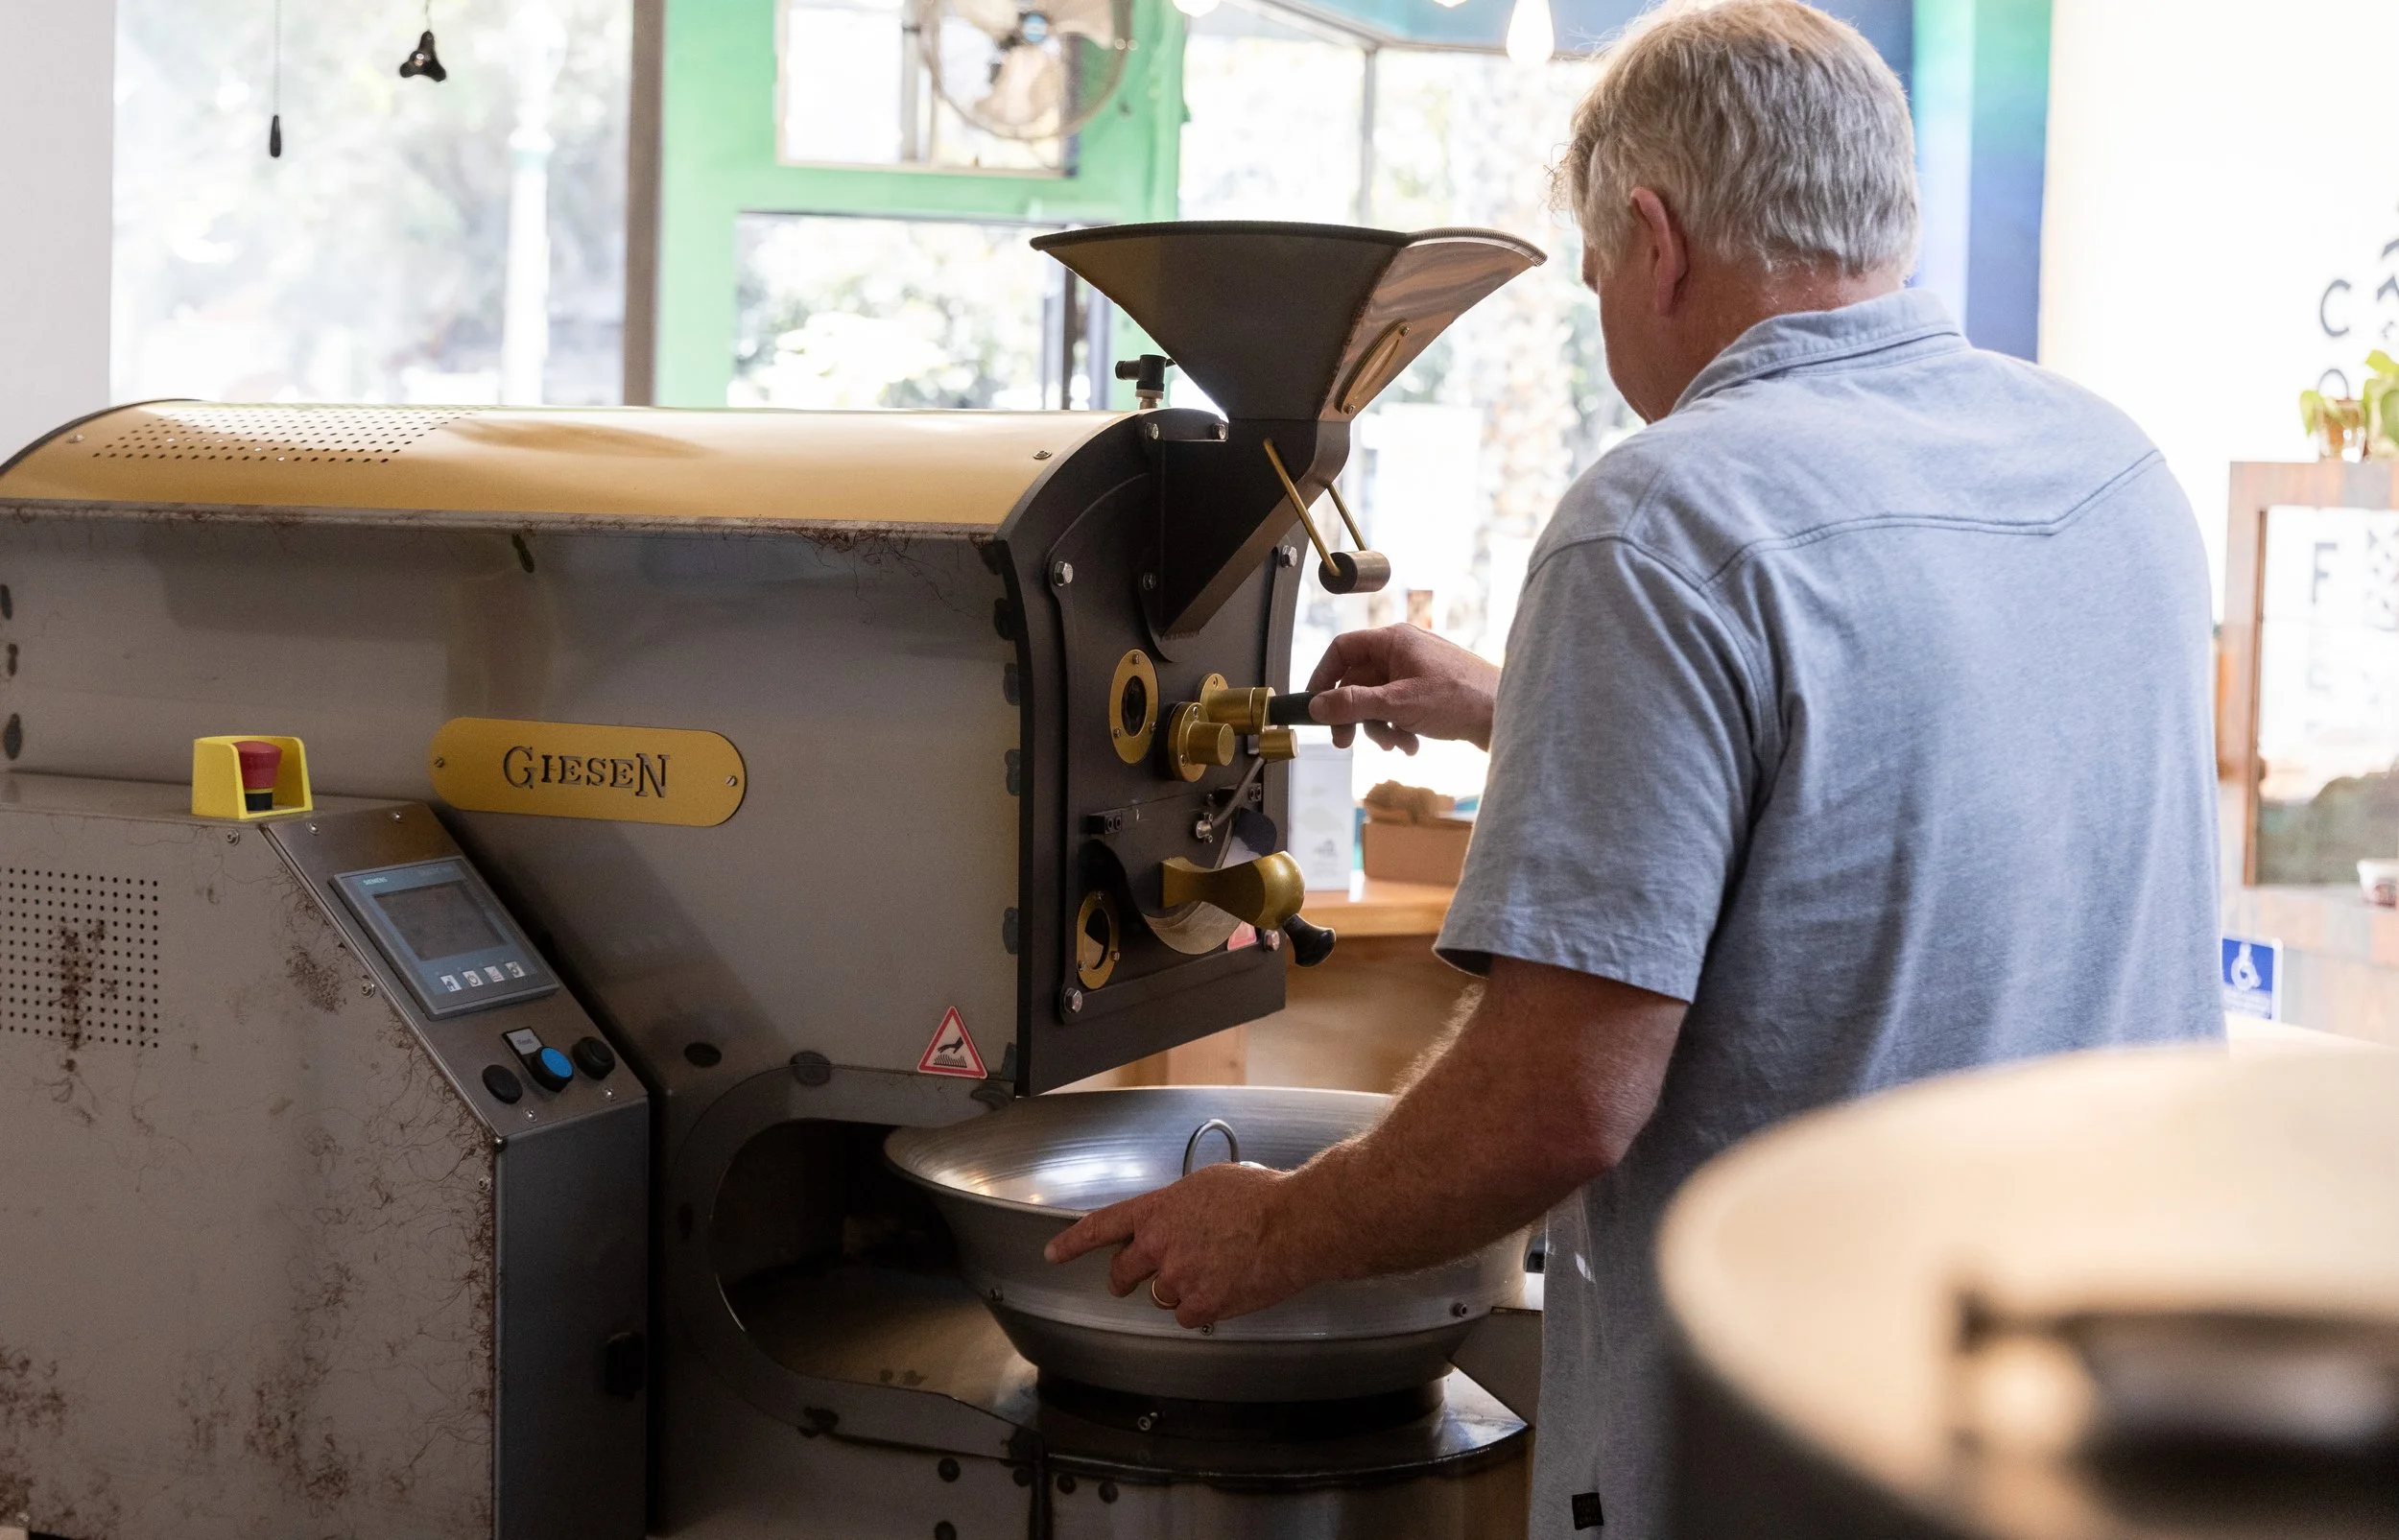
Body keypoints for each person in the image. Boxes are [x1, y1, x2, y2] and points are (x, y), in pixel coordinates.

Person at [1046, 0, 2222, 1533]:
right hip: (2104, 1430)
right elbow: (1907, 758)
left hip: (1795, 1449)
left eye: (1595, 268)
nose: (1605, 303)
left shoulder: (1663, 519)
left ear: (1653, 242)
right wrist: (1524, 703)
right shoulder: (2110, 465)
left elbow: (1556, 1104)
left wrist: (1268, 1235)